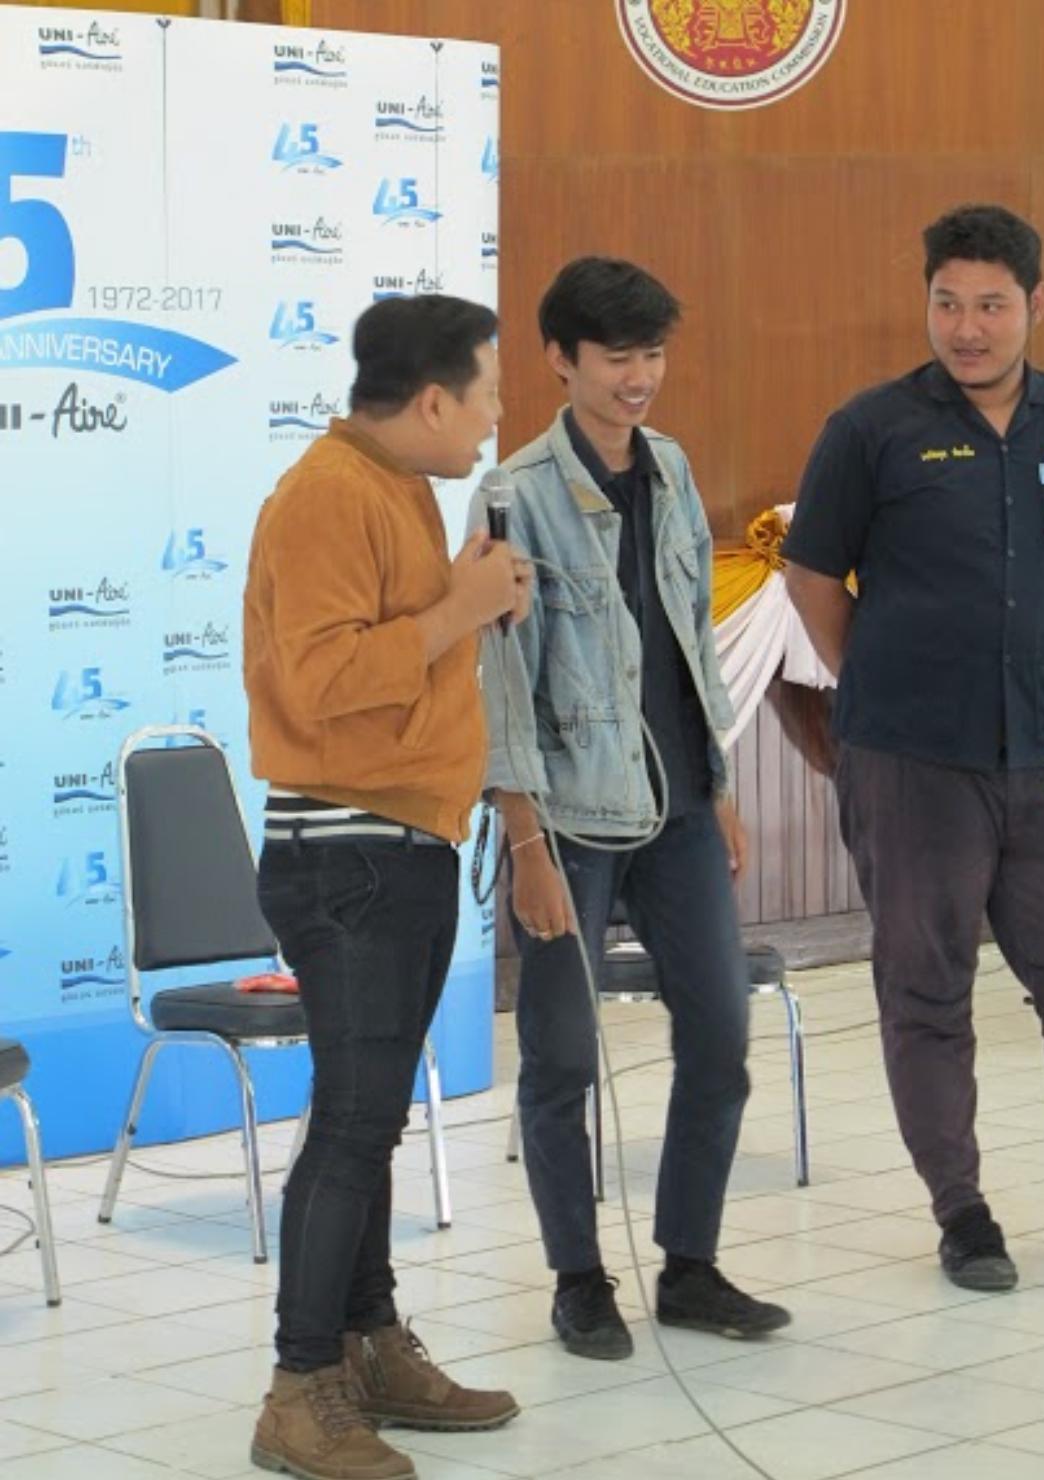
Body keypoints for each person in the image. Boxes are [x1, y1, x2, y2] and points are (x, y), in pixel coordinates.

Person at [783, 204, 1044, 1293]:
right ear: (925, 301)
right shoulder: (871, 428)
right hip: (913, 767)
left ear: (1035, 305)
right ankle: (962, 1215)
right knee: (926, 988)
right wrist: (873, 679)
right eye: (947, 303)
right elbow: (811, 574)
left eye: (990, 305)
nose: (966, 328)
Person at [473, 256, 790, 1360]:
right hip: (566, 817)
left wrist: (719, 785)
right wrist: (523, 841)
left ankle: (690, 1265)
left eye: (652, 354)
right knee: (561, 1056)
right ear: (560, 360)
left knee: (721, 1037)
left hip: (681, 810)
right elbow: (500, 686)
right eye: (616, 358)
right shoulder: (514, 494)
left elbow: (692, 638)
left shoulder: (672, 465)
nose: (638, 377)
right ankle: (578, 1279)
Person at [243, 294, 531, 1480]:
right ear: (432, 400)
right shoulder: (328, 494)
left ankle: (366, 1343)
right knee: (355, 1123)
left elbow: (397, 651)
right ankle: (298, 1385)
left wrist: (461, 604)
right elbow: (316, 682)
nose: (495, 416)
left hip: (399, 841)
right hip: (345, 851)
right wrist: (460, 608)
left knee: (369, 1117)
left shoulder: (399, 486)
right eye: (487, 394)